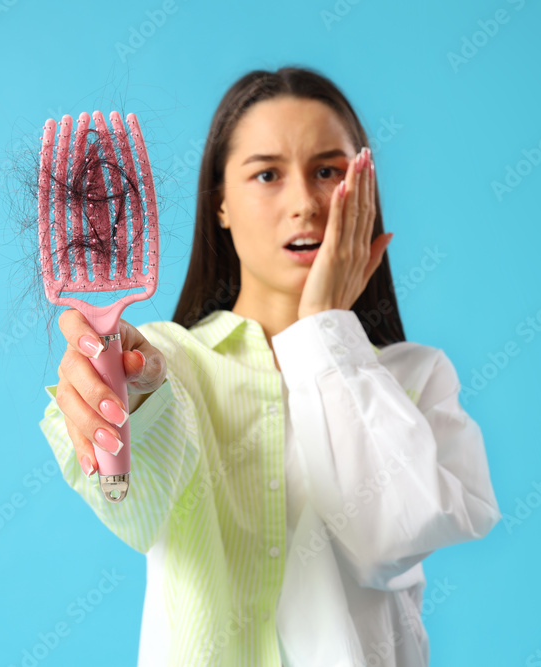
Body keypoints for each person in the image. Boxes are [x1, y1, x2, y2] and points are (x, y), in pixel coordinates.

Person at [39, 66, 502, 667]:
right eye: (266, 174)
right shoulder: (168, 362)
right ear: (222, 203)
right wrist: (120, 401)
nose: (306, 203)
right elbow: (134, 508)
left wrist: (323, 330)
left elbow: (391, 534)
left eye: (329, 171)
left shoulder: (416, 377)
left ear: (364, 193)